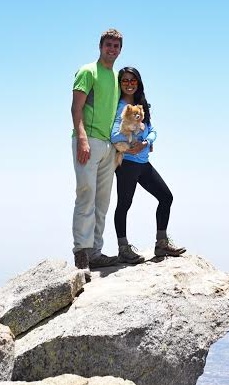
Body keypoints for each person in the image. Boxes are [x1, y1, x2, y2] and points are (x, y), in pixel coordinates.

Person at [110, 67, 186, 263]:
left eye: (132, 80)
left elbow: (152, 130)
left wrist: (147, 142)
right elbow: (114, 134)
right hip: (127, 164)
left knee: (166, 197)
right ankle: (123, 248)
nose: (129, 84)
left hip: (143, 163)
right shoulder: (117, 106)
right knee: (124, 205)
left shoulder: (141, 104)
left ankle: (161, 244)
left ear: (138, 83)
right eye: (125, 80)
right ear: (120, 84)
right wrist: (128, 146)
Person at [70, 29, 123, 270]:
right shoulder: (87, 71)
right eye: (108, 45)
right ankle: (82, 252)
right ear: (100, 46)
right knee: (85, 195)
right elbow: (75, 108)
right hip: (88, 141)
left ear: (120, 50)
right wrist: (82, 139)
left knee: (102, 202)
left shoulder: (114, 77)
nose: (112, 49)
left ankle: (96, 252)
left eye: (116, 46)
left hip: (109, 147)